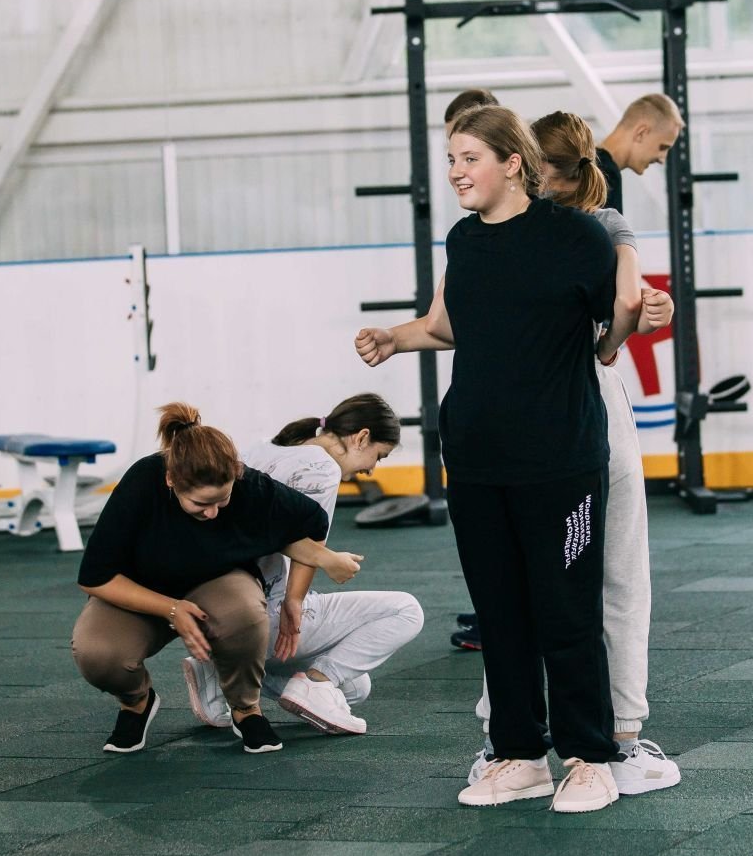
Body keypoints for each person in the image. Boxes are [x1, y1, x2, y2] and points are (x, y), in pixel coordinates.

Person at [355, 105, 623, 814]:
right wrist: (396, 338)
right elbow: (449, 326)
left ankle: (590, 758)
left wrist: (639, 315)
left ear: (512, 163)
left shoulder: (577, 236)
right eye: (451, 159)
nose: (455, 172)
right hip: (476, 458)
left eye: (469, 157)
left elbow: (613, 321)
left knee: (566, 614)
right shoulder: (464, 241)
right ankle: (519, 754)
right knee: (500, 615)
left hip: (560, 460)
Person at [466, 110, 681, 796]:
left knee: (585, 579)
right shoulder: (491, 234)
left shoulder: (599, 227)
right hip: (533, 419)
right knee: (522, 589)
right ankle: (521, 740)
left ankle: (607, 738)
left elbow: (632, 305)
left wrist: (636, 319)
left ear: (528, 169)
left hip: (581, 414)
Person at [72, 403, 363, 756]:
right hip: (143, 588)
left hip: (216, 582)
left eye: (222, 501)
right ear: (171, 481)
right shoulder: (142, 482)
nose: (212, 513)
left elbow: (311, 524)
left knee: (246, 613)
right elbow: (95, 577)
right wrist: (172, 609)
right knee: (97, 654)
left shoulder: (249, 484)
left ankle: (245, 708)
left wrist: (294, 598)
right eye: (200, 504)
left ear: (235, 474)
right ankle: (136, 703)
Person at [183, 393, 423, 736]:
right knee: (406, 611)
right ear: (361, 437)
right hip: (259, 617)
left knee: (357, 688)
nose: (371, 469)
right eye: (378, 456)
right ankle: (312, 681)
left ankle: (222, 668)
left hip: (212, 616)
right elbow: (308, 546)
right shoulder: (322, 468)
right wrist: (294, 603)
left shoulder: (262, 448)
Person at [595, 93, 684, 213]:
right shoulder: (606, 175)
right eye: (663, 147)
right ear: (641, 133)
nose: (662, 160)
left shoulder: (588, 166)